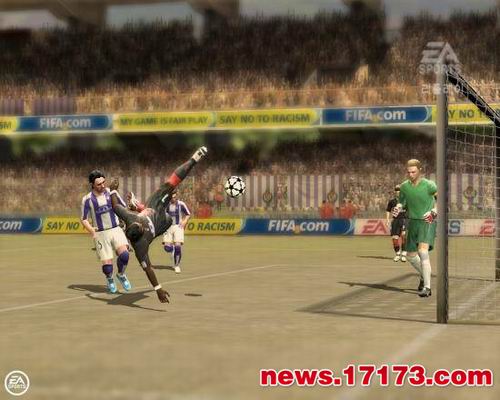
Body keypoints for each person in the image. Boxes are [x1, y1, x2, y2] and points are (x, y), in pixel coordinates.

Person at [109, 146, 208, 304]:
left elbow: (115, 206)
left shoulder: (129, 218)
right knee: (168, 200)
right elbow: (148, 269)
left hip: (154, 207)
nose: (140, 222)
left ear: (133, 223)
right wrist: (158, 289)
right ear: (141, 232)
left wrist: (112, 190)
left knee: (171, 183)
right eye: (141, 225)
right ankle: (138, 206)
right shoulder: (140, 248)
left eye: (138, 221)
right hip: (162, 222)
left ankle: (194, 159)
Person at [81, 170, 131, 294]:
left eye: (104, 182)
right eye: (99, 184)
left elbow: (123, 207)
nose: (103, 185)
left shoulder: (111, 193)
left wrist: (130, 205)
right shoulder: (87, 199)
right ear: (92, 185)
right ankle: (110, 279)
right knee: (107, 266)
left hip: (116, 229)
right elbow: (83, 219)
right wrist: (92, 231)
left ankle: (121, 274)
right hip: (101, 234)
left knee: (124, 255)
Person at [392, 159, 437, 298]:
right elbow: (402, 202)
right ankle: (424, 275)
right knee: (411, 256)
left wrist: (434, 211)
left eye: (414, 172)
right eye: (409, 172)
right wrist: (398, 208)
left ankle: (427, 288)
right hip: (412, 222)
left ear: (420, 170)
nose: (411, 174)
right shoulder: (404, 186)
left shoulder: (429, 185)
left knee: (423, 252)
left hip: (426, 221)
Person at [162, 191, 191, 273]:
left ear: (177, 197)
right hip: (168, 227)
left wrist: (185, 221)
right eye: (172, 197)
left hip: (178, 226)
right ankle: (172, 250)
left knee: (178, 246)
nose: (173, 199)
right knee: (167, 248)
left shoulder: (181, 204)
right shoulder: (166, 204)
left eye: (174, 197)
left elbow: (188, 214)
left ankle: (176, 265)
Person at [386, 185, 407, 262]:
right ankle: (397, 254)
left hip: (404, 220)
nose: (398, 192)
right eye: (397, 190)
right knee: (395, 238)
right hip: (395, 221)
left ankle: (404, 254)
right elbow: (388, 210)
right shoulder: (392, 201)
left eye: (399, 190)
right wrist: (387, 219)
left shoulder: (406, 201)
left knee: (404, 237)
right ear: (395, 192)